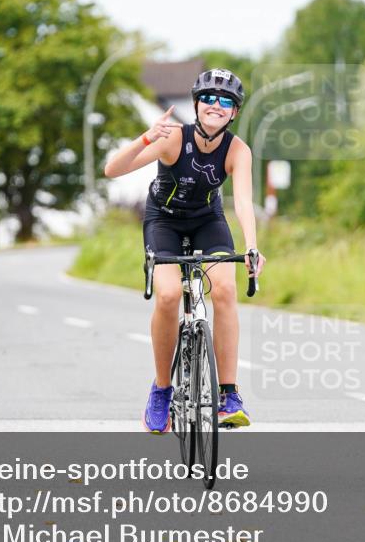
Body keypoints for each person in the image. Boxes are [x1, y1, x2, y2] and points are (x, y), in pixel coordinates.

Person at [104, 68, 267, 433]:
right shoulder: (173, 139)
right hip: (164, 220)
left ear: (234, 112)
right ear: (196, 104)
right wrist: (145, 138)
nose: (216, 105)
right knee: (169, 294)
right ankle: (162, 389)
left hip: (208, 221)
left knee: (224, 289)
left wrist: (252, 247)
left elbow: (242, 201)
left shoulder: (238, 150)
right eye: (208, 98)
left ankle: (229, 395)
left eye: (226, 101)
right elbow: (112, 170)